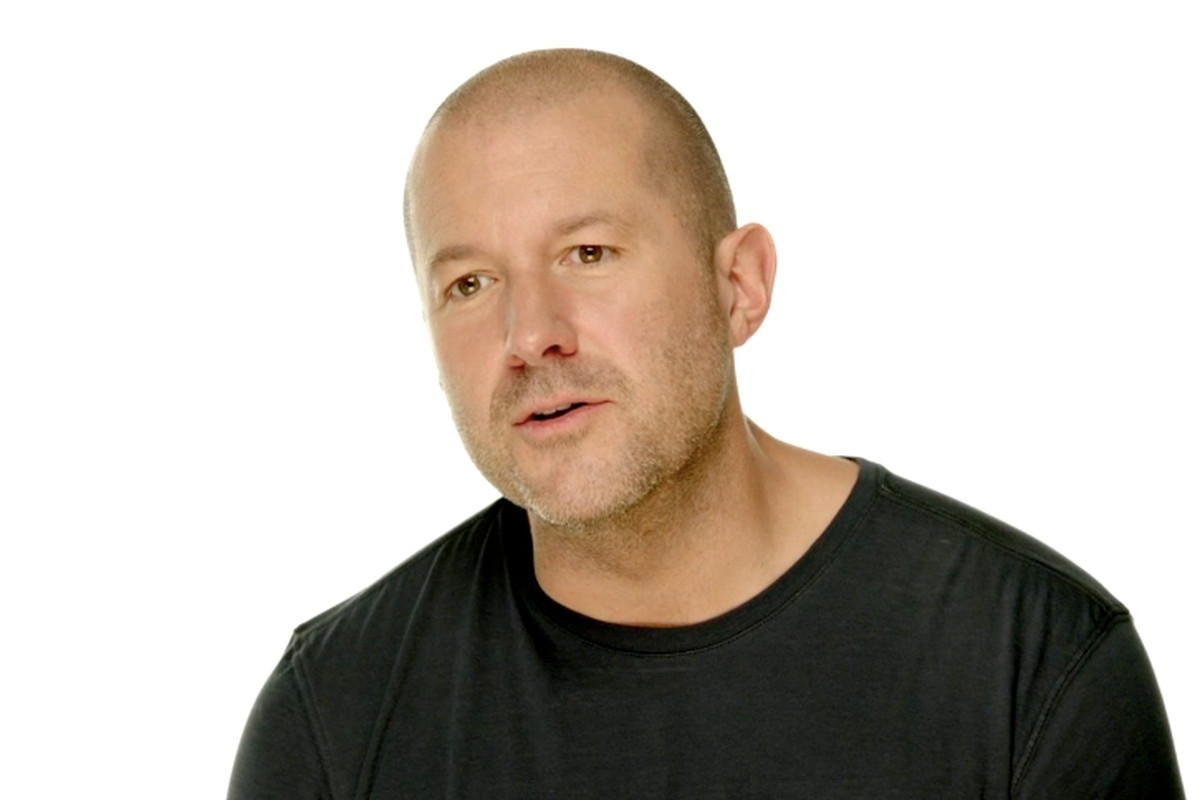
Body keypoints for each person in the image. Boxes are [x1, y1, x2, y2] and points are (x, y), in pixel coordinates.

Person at [228, 49, 1182, 798]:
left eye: (588, 253)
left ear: (740, 286)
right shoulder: (335, 717)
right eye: (470, 284)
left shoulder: (1030, 663)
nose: (530, 335)